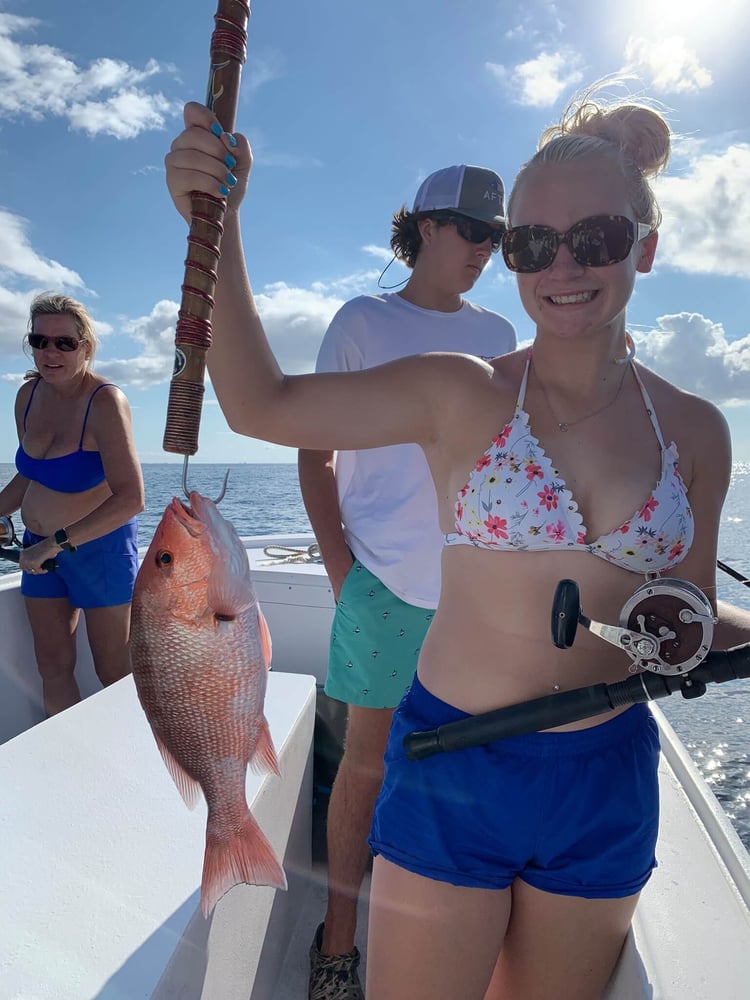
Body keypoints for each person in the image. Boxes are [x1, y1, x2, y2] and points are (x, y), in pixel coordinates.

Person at [164, 81, 746, 1000]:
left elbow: (680, 612)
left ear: (648, 244)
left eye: (594, 239)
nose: (562, 266)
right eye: (531, 243)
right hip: (453, 759)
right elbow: (262, 405)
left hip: (606, 773)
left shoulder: (699, 433)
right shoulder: (460, 391)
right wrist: (221, 223)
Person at [298, 166, 516, 997]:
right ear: (425, 227)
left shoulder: (502, 334)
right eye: (474, 232)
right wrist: (340, 570)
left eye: (499, 238)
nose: (488, 251)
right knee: (365, 768)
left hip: (480, 593)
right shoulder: (361, 321)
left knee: (478, 766)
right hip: (382, 586)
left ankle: (460, 937)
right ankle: (338, 940)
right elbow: (312, 450)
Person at [0, 293, 144, 717]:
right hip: (37, 549)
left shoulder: (105, 404)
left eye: (64, 343)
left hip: (99, 552)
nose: (50, 351)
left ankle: (138, 768)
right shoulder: (27, 396)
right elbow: (29, 476)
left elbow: (132, 498)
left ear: (86, 347)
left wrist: (54, 543)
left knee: (114, 673)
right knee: (53, 666)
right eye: (40, 340)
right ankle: (69, 765)